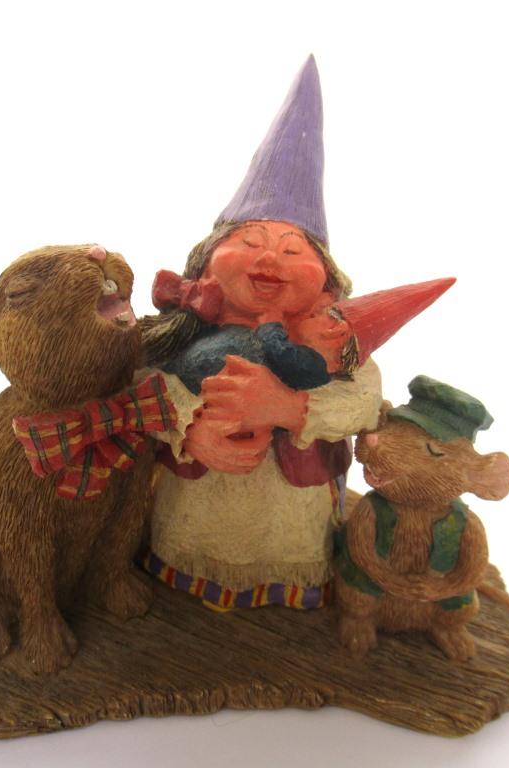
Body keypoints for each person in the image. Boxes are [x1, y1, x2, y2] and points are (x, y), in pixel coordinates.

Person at [140, 57, 453, 610]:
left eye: (291, 251)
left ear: (326, 283)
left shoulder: (332, 344)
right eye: (250, 242)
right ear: (208, 261)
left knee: (289, 546)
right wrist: (190, 429)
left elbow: (363, 404)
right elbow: (142, 386)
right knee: (192, 542)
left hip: (293, 524)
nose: (269, 260)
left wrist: (290, 407)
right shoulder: (181, 332)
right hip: (191, 516)